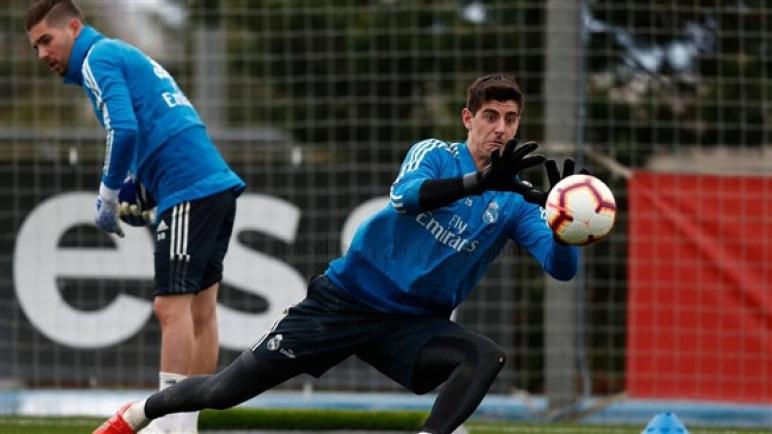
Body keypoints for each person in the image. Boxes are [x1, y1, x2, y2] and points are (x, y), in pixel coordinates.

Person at [92, 72, 586, 434]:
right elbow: (406, 197)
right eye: (490, 116)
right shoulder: (436, 154)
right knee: (224, 391)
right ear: (468, 118)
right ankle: (138, 413)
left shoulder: (517, 201)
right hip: (343, 302)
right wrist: (478, 181)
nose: (501, 128)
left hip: (410, 325)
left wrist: (567, 227)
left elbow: (560, 269)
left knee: (484, 355)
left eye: (511, 119)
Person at [25, 1, 246, 433]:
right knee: (201, 311)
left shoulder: (97, 57)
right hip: (212, 184)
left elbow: (123, 129)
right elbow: (158, 123)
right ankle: (186, 423)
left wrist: (109, 193)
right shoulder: (120, 53)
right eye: (35, 46)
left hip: (187, 188)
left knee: (171, 307)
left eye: (46, 40)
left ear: (74, 27)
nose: (42, 54)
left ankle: (169, 423)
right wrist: (138, 183)